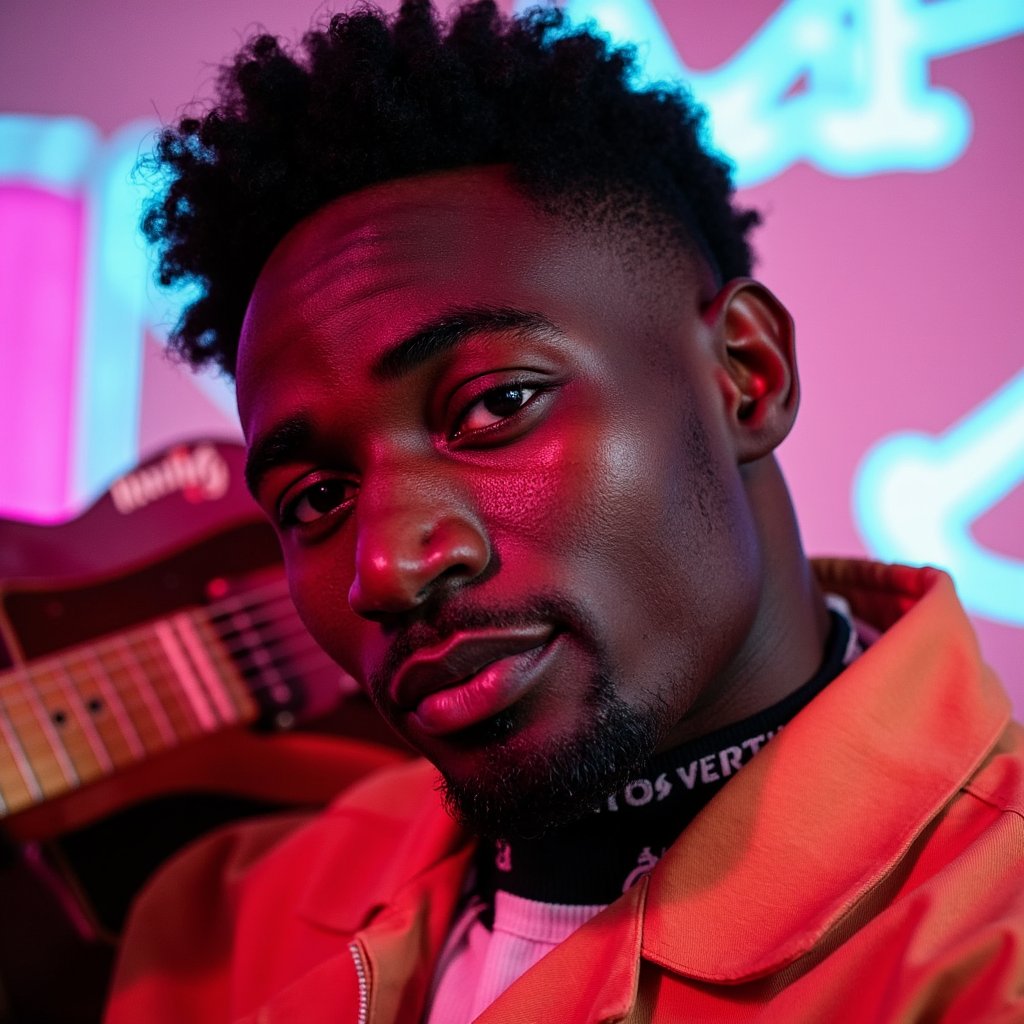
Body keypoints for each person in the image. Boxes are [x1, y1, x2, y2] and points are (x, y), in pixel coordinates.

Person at [104, 2, 1024, 1020]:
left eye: (495, 405)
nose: (387, 569)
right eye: (316, 497)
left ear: (745, 378)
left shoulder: (991, 949)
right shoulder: (212, 932)